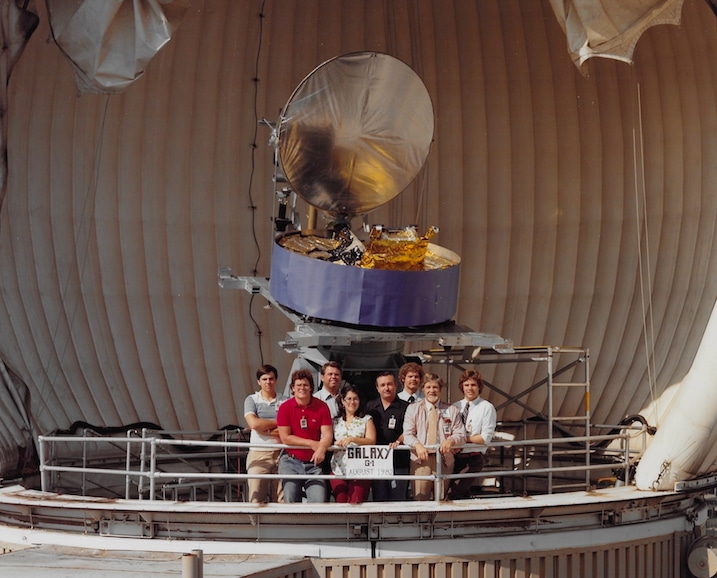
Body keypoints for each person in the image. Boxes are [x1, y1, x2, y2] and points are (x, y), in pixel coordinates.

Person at [403, 373, 465, 501]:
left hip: (444, 460)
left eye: (435, 387)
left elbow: (461, 434)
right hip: (420, 461)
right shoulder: (413, 409)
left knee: (441, 499)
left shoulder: (452, 410)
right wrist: (417, 445)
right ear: (423, 389)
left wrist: (451, 440)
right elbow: (407, 434)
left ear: (440, 389)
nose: (432, 391)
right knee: (420, 499)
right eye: (428, 387)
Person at [276, 369, 333, 503]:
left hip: (314, 464)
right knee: (291, 501)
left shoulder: (322, 407)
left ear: (311, 388)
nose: (302, 388)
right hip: (290, 461)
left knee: (318, 502)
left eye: (305, 385)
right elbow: (285, 437)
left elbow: (327, 434)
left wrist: (321, 449)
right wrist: (312, 444)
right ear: (292, 388)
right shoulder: (285, 408)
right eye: (298, 385)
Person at [446, 369, 497, 500]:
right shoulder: (455, 407)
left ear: (479, 387)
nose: (470, 388)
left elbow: (485, 438)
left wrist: (462, 439)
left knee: (453, 492)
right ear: (461, 387)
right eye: (466, 385)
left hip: (473, 458)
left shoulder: (487, 407)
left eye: (473, 385)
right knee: (452, 491)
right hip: (455, 457)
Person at [243, 364, 288, 503]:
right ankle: (255, 524)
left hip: (282, 453)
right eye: (264, 379)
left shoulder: (285, 400)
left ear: (276, 380)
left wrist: (264, 428)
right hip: (259, 453)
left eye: (271, 378)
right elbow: (254, 424)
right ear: (258, 381)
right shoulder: (252, 400)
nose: (268, 382)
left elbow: (288, 428)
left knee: (282, 498)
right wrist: (278, 422)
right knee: (256, 497)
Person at [365, 372, 410, 501]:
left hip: (399, 461)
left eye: (389, 384)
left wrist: (399, 441)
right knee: (379, 499)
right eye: (383, 385)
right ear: (377, 388)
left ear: (396, 385)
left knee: (398, 499)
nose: (387, 388)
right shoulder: (370, 407)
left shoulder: (406, 407)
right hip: (377, 462)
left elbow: (410, 430)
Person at [330, 384, 377, 503]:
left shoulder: (366, 419)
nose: (352, 402)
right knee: (340, 501)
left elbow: (371, 440)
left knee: (356, 502)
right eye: (349, 399)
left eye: (355, 399)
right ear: (343, 401)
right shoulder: (335, 421)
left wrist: (352, 439)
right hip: (338, 468)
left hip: (360, 469)